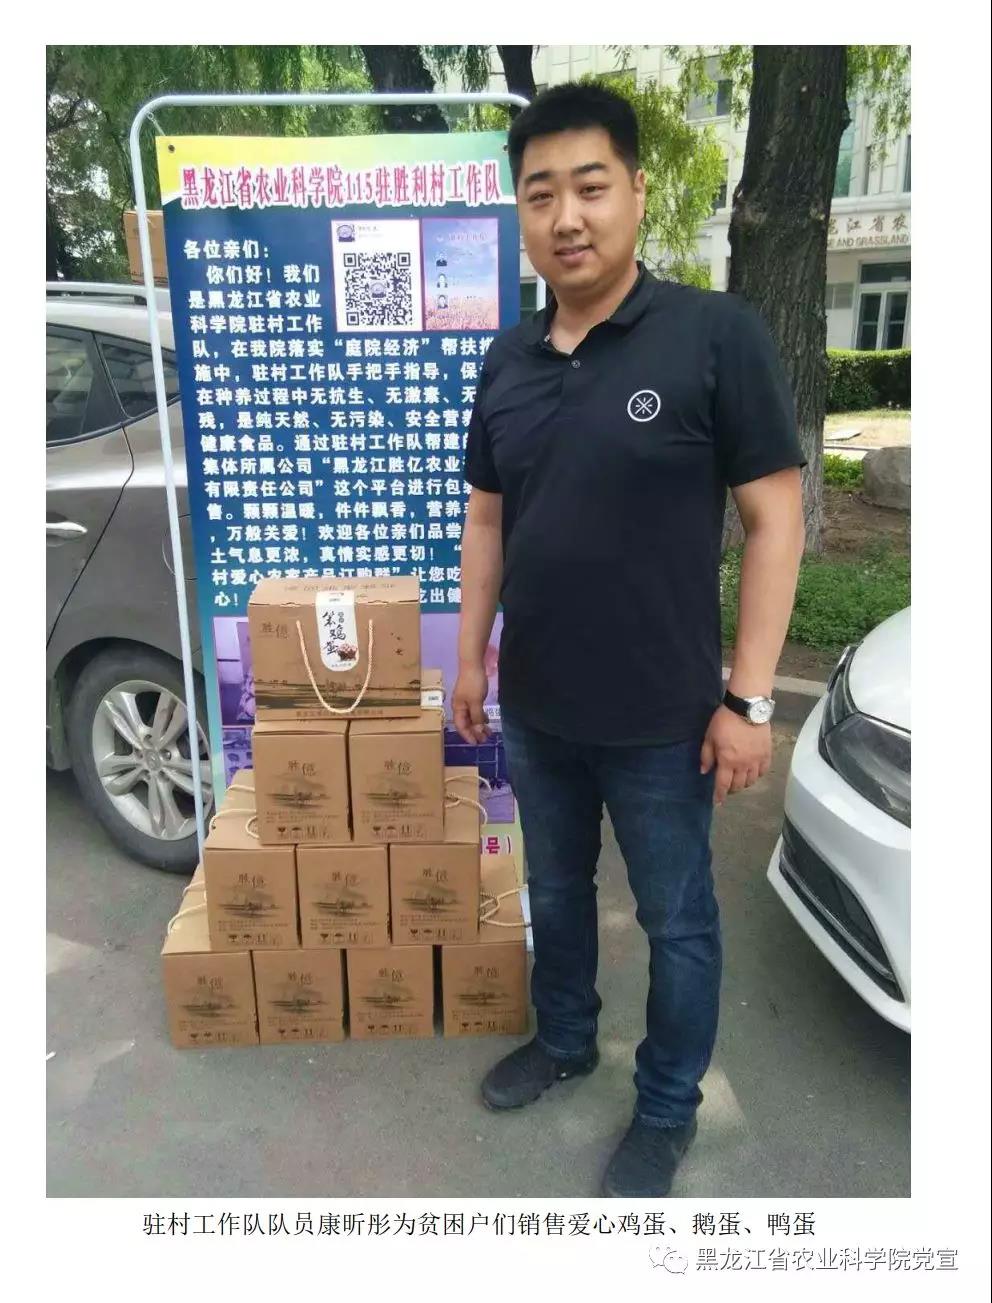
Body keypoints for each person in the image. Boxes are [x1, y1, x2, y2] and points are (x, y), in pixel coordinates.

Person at [453, 83, 806, 1198]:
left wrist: (748, 700)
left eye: (590, 186)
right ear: (520, 209)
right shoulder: (509, 361)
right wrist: (468, 657)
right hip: (539, 708)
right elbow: (487, 518)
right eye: (540, 193)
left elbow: (776, 519)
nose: (567, 216)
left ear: (637, 192)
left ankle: (665, 1106)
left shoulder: (714, 336)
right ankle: (564, 1039)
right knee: (555, 891)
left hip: (664, 720)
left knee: (677, 920)